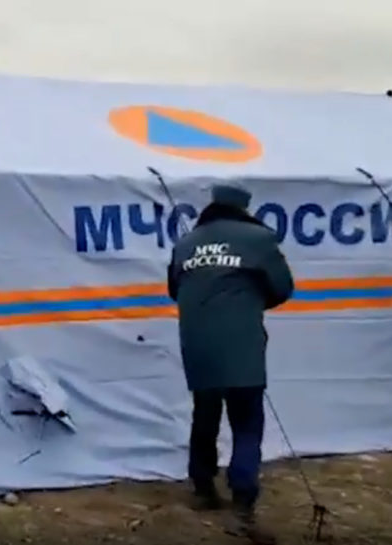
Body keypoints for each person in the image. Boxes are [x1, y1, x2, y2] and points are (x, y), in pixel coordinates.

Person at [167, 184, 293, 545]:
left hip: (197, 342)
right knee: (247, 422)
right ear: (244, 207)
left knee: (205, 413)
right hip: (242, 344)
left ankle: (202, 487)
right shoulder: (259, 239)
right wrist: (248, 302)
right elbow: (283, 287)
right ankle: (242, 505)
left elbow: (174, 290)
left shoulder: (186, 243)